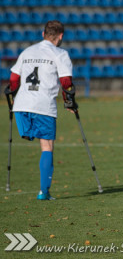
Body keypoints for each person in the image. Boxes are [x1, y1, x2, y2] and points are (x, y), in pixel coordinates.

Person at [7, 20, 76, 200]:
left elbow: (14, 79)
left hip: (21, 105)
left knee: (36, 139)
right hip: (43, 105)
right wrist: (69, 101)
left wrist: (13, 97)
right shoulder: (60, 53)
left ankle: (28, 132)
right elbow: (66, 81)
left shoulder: (27, 51)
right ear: (60, 36)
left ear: (42, 34)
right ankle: (43, 192)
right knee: (47, 147)